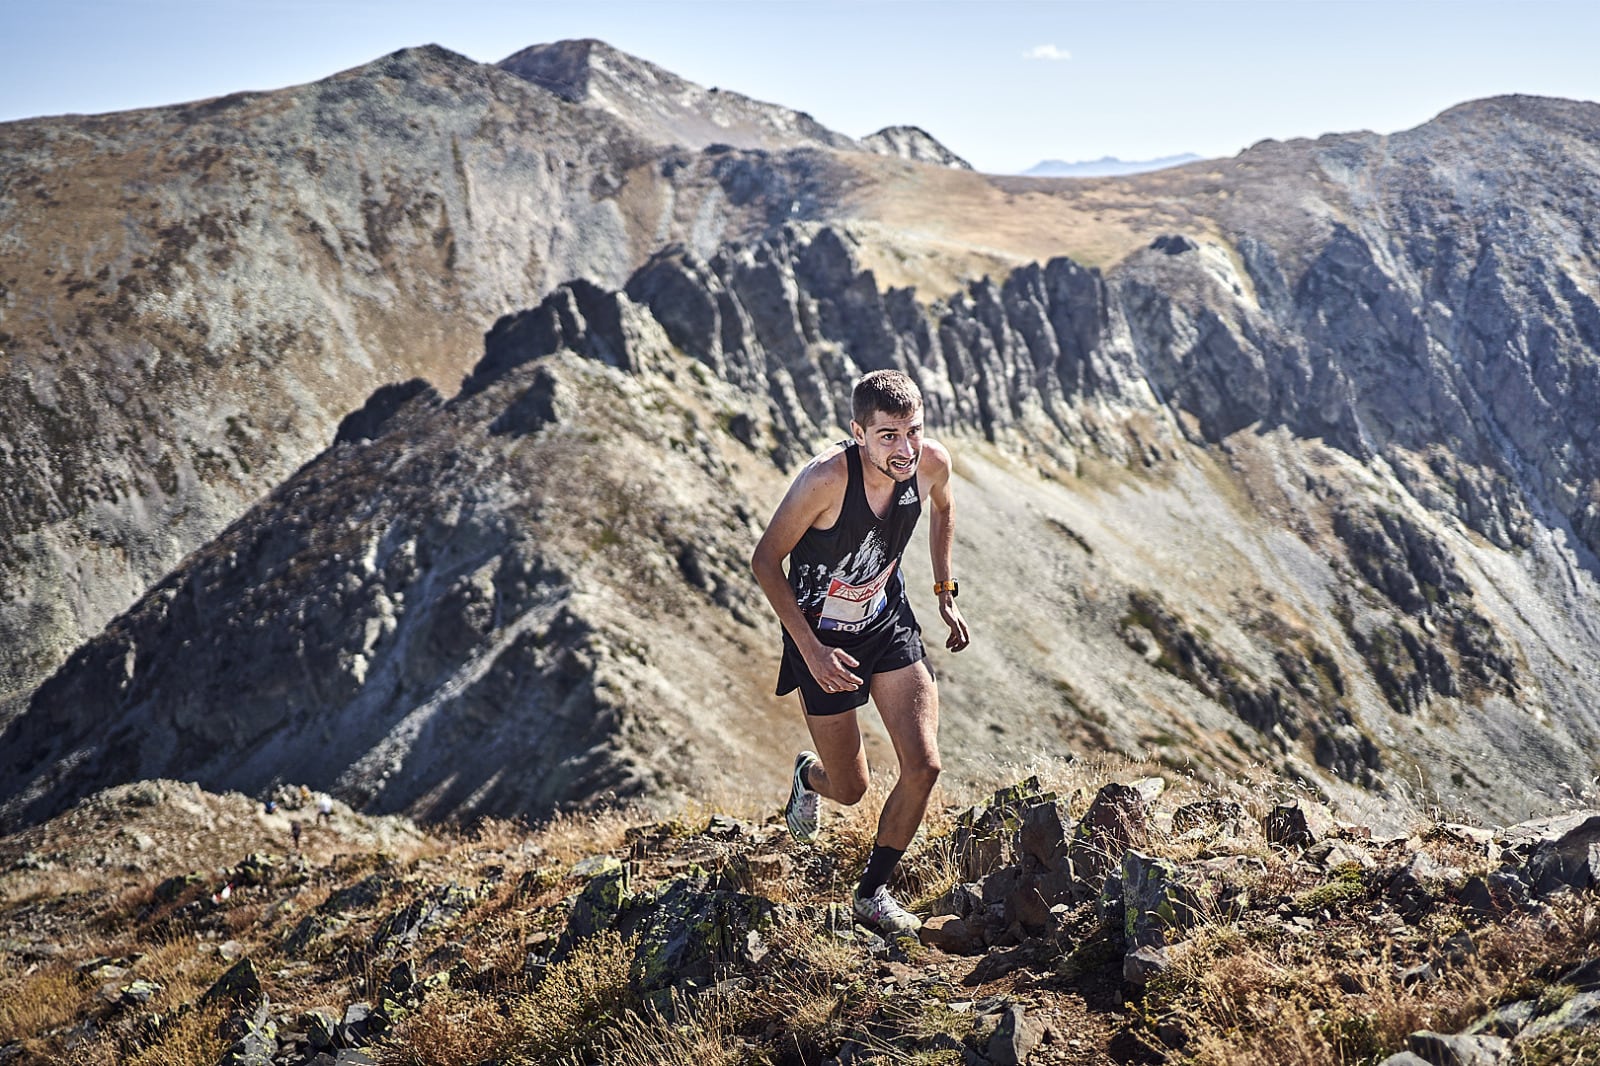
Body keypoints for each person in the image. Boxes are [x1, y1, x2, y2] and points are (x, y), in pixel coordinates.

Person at [751, 368, 971, 937]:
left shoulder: (930, 463)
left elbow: (944, 509)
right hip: (820, 639)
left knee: (924, 765)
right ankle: (809, 776)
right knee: (851, 790)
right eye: (888, 435)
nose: (904, 449)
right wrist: (811, 650)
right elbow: (764, 561)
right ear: (859, 432)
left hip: (886, 622)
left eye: (913, 431)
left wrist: (945, 593)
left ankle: (871, 893)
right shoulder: (824, 481)